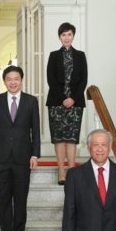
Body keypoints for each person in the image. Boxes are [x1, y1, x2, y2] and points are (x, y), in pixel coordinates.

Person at [0, 65, 41, 231]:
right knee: (4, 199)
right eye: (9, 79)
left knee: (20, 199)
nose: (13, 82)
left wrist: (35, 154)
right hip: (0, 157)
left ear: (21, 80)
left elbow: (36, 130)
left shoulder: (31, 102)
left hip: (23, 157)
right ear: (5, 81)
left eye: (16, 78)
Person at [46, 22, 88, 185]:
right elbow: (51, 80)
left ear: (73, 36)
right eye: (63, 35)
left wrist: (73, 98)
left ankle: (71, 170)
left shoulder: (81, 55)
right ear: (59, 37)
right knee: (59, 137)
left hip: (75, 102)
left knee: (72, 137)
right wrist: (64, 97)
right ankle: (61, 170)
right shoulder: (53, 55)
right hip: (57, 102)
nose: (66, 37)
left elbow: (83, 80)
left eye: (69, 34)